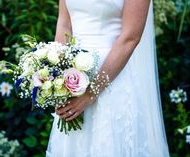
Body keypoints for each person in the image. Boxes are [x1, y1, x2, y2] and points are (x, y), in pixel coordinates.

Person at [46, 0, 170, 156]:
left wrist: (91, 93)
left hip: (112, 78)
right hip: (72, 78)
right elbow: (64, 23)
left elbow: (130, 38)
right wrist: (59, 78)